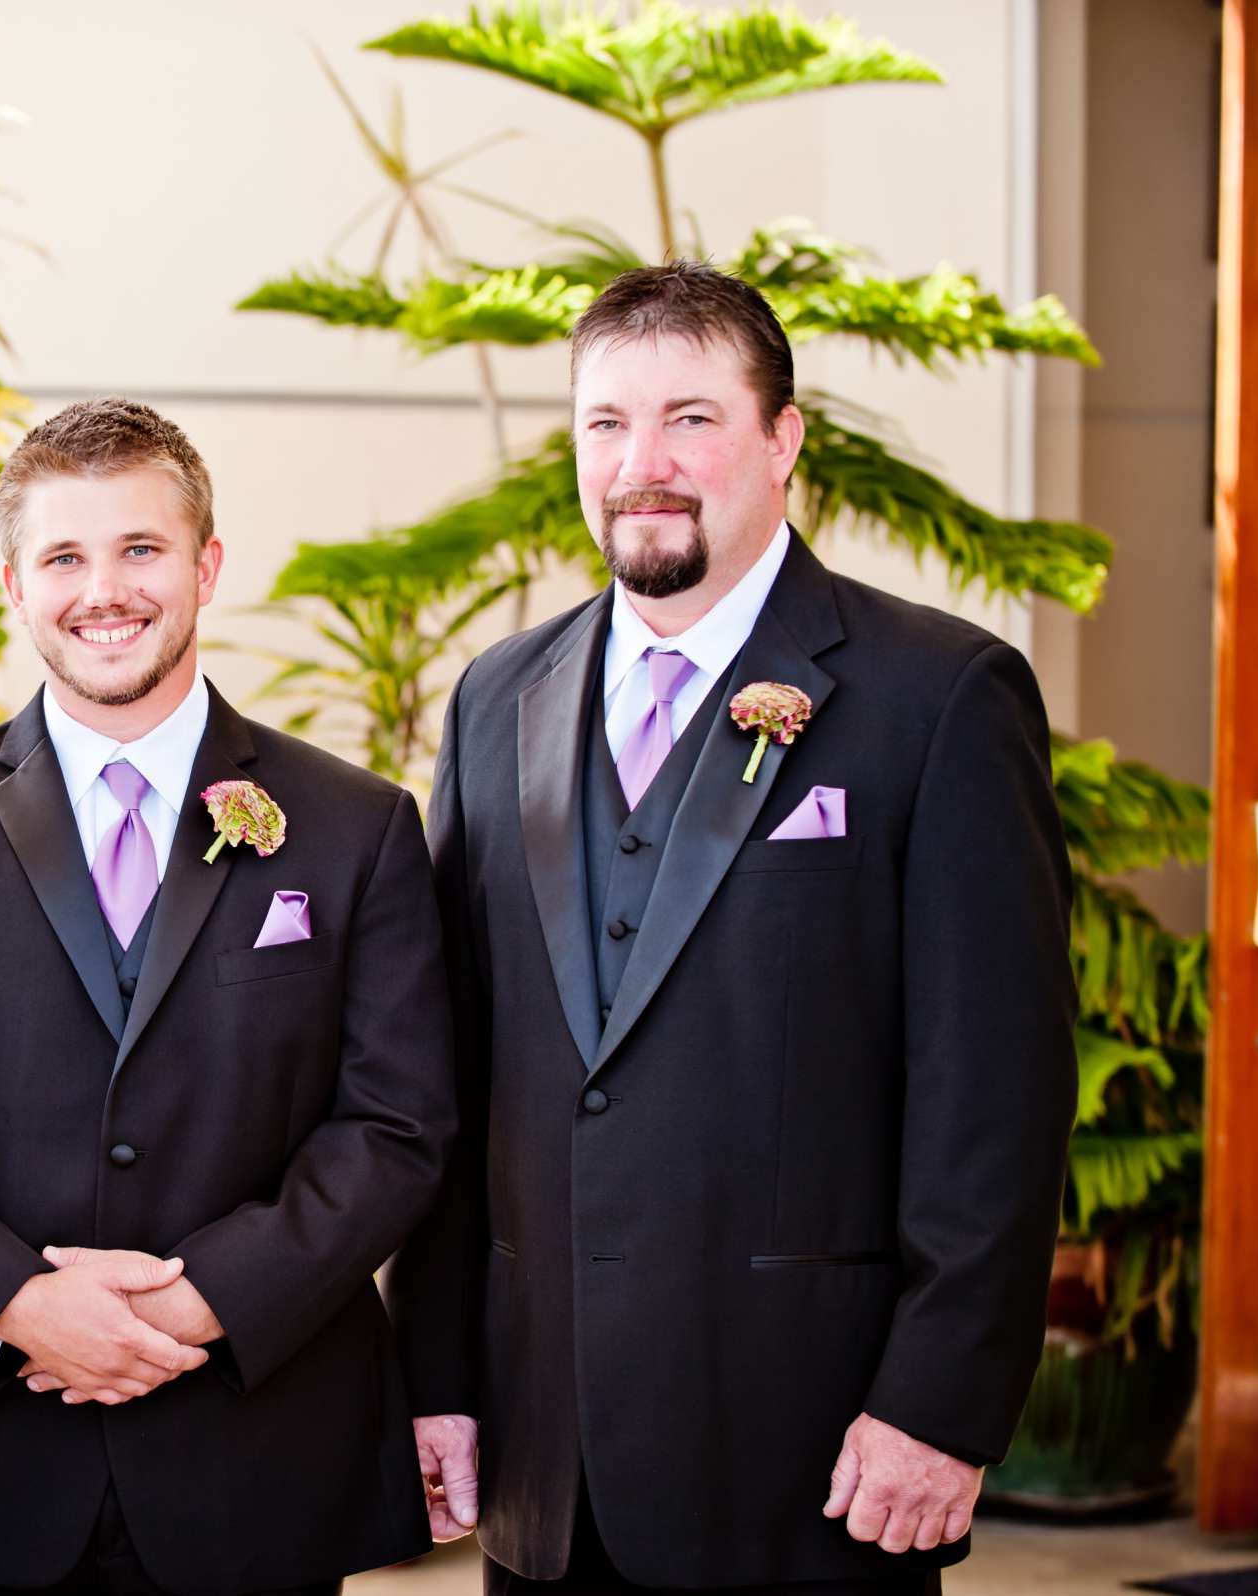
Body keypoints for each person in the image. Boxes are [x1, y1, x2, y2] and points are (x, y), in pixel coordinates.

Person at [387, 263, 1075, 1593]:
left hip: (814, 1462)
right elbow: (449, 1077)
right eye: (606, 425)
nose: (643, 464)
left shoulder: (939, 700)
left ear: (783, 442)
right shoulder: (494, 701)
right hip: (550, 1463)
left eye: (691, 419)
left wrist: (941, 1399)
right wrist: (440, 1376)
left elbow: (996, 1091)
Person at [0, 398, 455, 1595]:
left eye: (140, 549)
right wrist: (17, 1301)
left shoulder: (357, 828)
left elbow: (397, 1125)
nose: (103, 590)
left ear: (207, 565)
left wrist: (206, 1301)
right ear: (14, 582)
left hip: (254, 1469)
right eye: (64, 556)